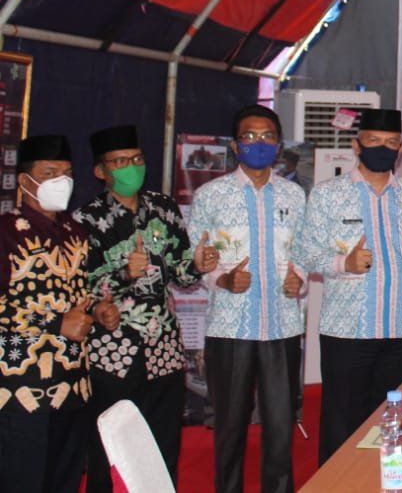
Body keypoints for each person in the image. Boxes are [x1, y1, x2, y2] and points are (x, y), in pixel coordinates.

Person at [75, 124, 220, 493]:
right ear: (100, 171)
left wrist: (197, 265)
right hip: (114, 351)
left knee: (163, 443)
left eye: (136, 159)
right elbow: (81, 287)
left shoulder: (164, 208)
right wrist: (124, 273)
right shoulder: (85, 220)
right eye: (120, 162)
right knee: (109, 446)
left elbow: (181, 275)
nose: (131, 168)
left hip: (163, 347)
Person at [296, 108, 402, 464]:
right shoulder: (327, 194)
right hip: (347, 332)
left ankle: (389, 484)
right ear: (356, 146)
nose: (382, 148)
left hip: (400, 331)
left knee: (394, 428)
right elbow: (306, 254)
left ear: (400, 149)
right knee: (342, 426)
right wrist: (344, 263)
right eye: (374, 141)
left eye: (391, 143)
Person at [188, 104, 307, 493]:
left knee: (280, 427)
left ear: (279, 145)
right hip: (230, 329)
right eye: (250, 137)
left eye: (267, 136)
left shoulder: (295, 195)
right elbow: (197, 259)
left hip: (282, 328)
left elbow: (303, 253)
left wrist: (299, 279)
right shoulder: (210, 195)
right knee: (230, 427)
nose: (259, 143)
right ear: (235, 146)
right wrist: (221, 279)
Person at [1, 135, 118, 493]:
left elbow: (80, 296)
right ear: (25, 181)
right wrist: (55, 323)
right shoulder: (6, 233)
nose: (61, 181)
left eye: (66, 174)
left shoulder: (75, 233)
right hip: (20, 392)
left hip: (72, 388)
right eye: (49, 173)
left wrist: (98, 310)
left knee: (64, 482)